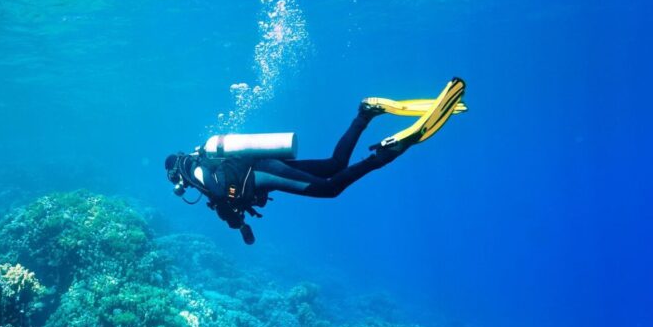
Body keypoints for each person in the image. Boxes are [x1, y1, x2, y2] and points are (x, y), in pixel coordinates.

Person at [164, 78, 466, 244]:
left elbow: (220, 194)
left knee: (329, 188)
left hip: (261, 173)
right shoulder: (200, 160)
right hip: (262, 167)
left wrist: (231, 216)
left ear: (175, 172)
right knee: (334, 165)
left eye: (174, 181)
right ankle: (365, 113)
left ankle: (387, 152)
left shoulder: (193, 171)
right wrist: (240, 224)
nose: (179, 186)